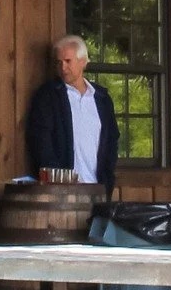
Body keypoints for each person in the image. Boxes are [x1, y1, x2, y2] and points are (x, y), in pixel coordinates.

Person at [25, 36, 119, 188]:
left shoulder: (102, 98)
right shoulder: (48, 96)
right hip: (62, 190)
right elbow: (41, 140)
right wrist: (57, 179)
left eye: (68, 61)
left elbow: (112, 140)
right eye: (58, 62)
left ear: (83, 62)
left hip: (98, 187)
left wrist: (108, 178)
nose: (63, 67)